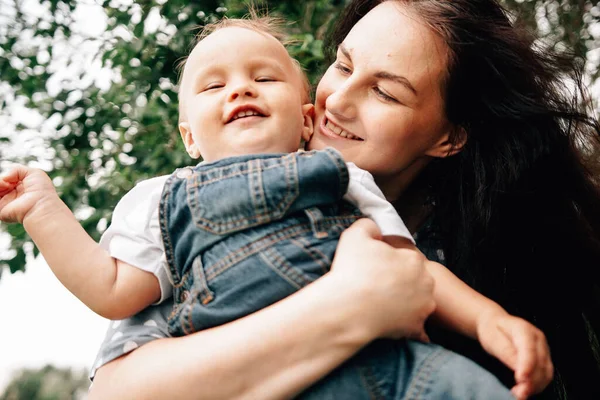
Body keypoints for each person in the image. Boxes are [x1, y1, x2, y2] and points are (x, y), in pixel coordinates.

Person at [0, 12, 552, 399]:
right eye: (213, 86)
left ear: (305, 117)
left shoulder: (342, 178)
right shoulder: (160, 200)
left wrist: (490, 320)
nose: (240, 89)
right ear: (189, 137)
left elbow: (416, 273)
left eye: (264, 77)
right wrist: (44, 211)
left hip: (398, 374)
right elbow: (113, 290)